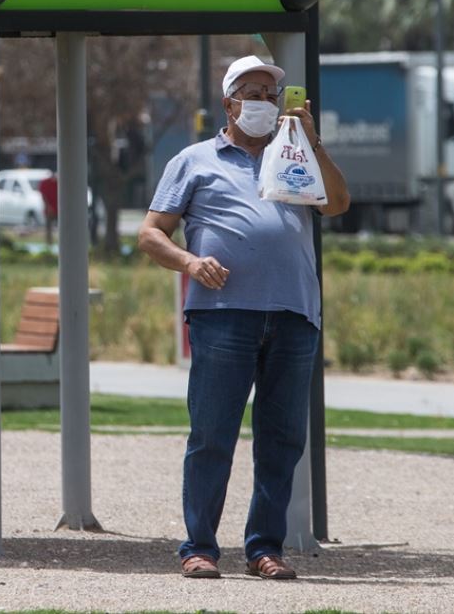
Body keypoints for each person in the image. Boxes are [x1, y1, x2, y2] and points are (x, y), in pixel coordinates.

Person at [137, 55, 349, 580]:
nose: (262, 102)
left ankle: (264, 549)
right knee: (212, 434)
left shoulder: (295, 156)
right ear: (229, 102)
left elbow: (339, 204)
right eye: (251, 93)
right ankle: (199, 547)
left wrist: (313, 140)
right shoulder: (192, 160)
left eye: (270, 94)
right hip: (223, 316)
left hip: (294, 314)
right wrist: (189, 262)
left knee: (281, 439)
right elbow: (150, 233)